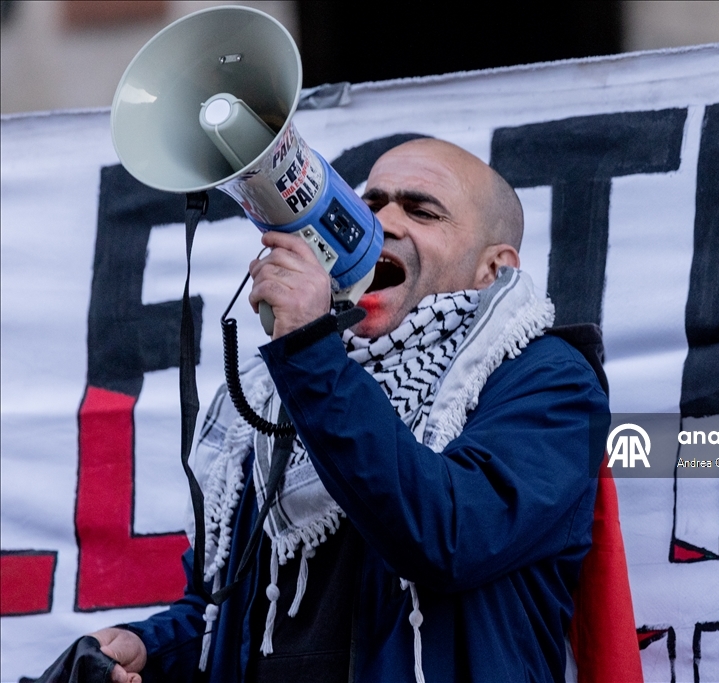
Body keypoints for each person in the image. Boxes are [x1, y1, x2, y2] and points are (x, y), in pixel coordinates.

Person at [86, 138, 609, 682]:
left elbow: (448, 534)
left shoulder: (549, 382)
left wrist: (309, 352)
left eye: (422, 211)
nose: (382, 222)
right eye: (371, 203)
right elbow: (226, 615)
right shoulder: (276, 391)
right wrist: (146, 649)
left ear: (493, 268)